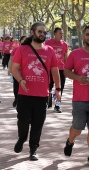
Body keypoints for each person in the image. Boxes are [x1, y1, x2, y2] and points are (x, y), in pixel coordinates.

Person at [12, 22, 61, 161]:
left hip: (42, 94)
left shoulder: (49, 50)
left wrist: (58, 89)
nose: (42, 34)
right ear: (32, 32)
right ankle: (22, 138)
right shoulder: (22, 49)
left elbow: (55, 70)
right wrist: (21, 80)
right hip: (24, 93)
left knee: (38, 124)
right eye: (40, 31)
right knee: (22, 121)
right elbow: (14, 69)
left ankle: (33, 149)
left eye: (44, 32)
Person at [63, 25, 89, 162]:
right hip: (80, 99)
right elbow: (66, 71)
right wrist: (79, 78)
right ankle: (70, 141)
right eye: (88, 34)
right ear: (84, 36)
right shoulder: (75, 53)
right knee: (77, 129)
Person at [45, 27, 68, 113]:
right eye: (60, 33)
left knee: (60, 88)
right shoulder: (48, 43)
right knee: (49, 86)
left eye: (62, 33)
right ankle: (48, 101)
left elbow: (65, 57)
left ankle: (57, 106)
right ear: (54, 34)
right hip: (50, 69)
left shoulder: (64, 44)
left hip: (61, 69)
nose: (61, 35)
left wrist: (66, 68)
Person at [8, 35, 27, 108]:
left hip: (25, 72)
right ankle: (16, 99)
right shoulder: (15, 50)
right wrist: (10, 69)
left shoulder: (31, 50)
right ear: (20, 41)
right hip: (16, 72)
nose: (25, 41)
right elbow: (11, 60)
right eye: (23, 40)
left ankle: (23, 101)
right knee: (16, 86)